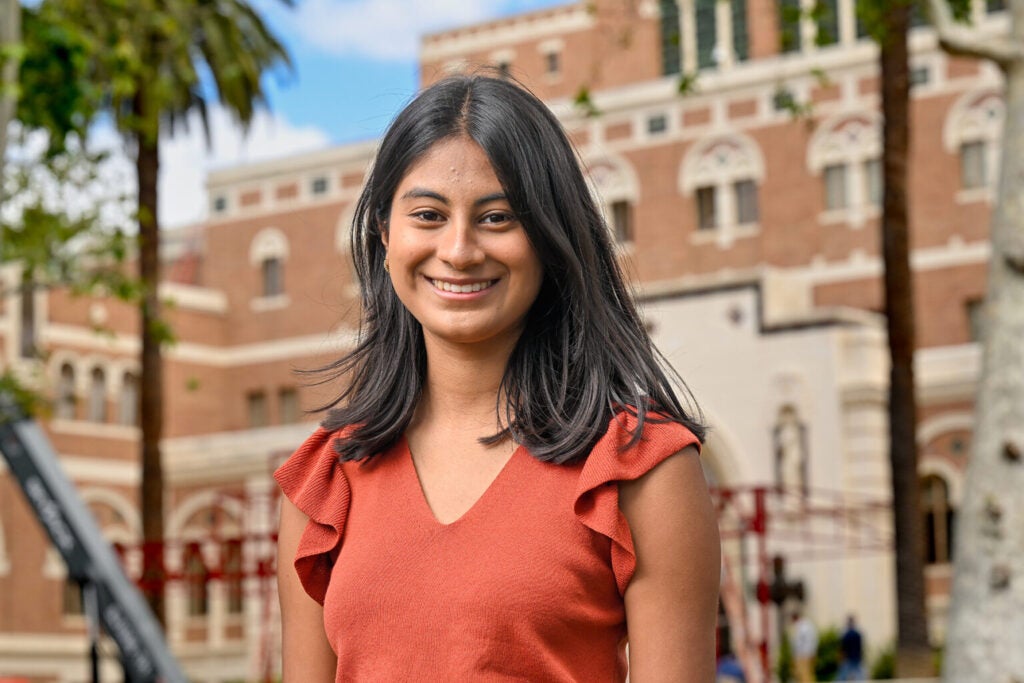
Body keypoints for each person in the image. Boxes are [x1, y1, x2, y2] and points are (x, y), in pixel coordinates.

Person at [274, 72, 720, 682]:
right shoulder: (325, 482)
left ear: (549, 236)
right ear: (385, 234)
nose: (459, 250)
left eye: (498, 217)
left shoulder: (642, 468)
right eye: (428, 215)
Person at [791, 609, 819, 683]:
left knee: (804, 675)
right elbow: (814, 639)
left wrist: (795, 655)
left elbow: (798, 643)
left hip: (803, 655)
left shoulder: (801, 627)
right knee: (808, 674)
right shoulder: (808, 625)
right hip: (807, 653)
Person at [838, 614, 866, 681]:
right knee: (859, 676)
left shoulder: (846, 635)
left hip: (848, 658)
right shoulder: (857, 634)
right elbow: (860, 647)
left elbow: (843, 648)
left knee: (843, 677)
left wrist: (841, 658)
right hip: (857, 657)